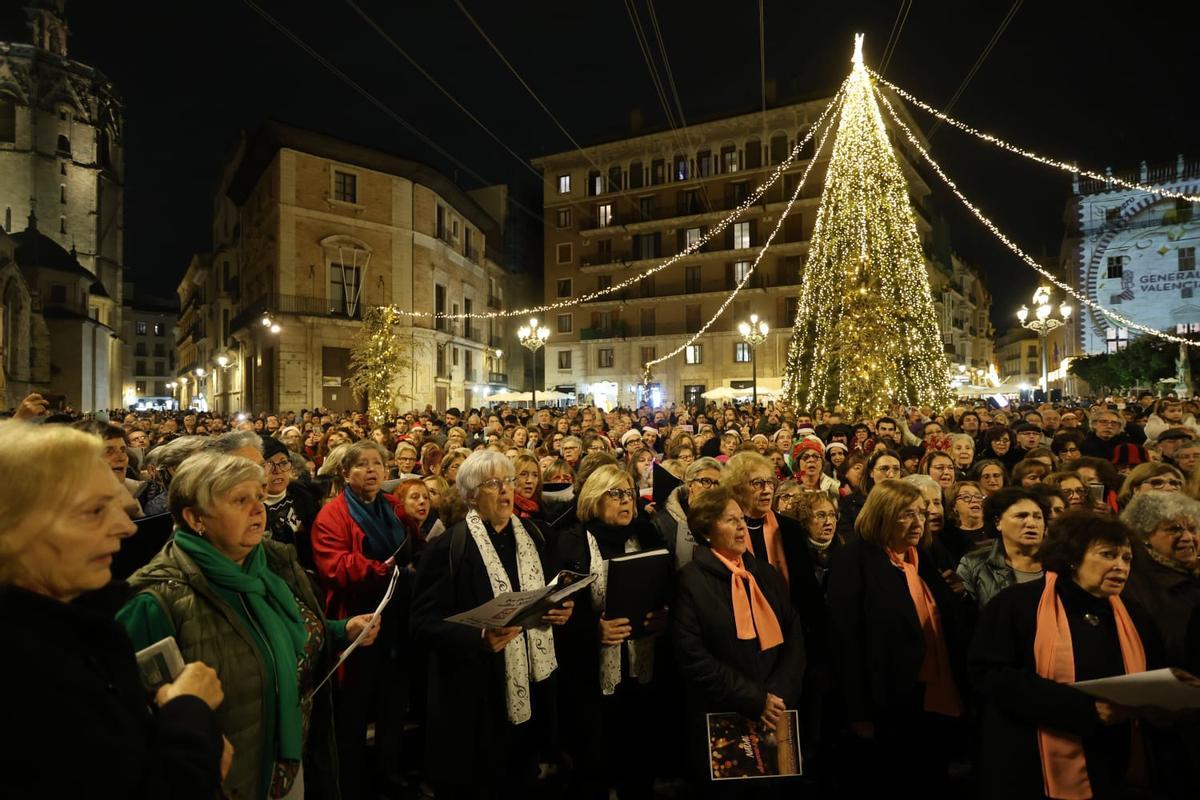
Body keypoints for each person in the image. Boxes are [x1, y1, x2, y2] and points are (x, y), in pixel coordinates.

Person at [119, 451, 379, 800]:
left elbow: (284, 634)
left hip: (288, 762)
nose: (258, 509)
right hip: (228, 783)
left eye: (259, 495)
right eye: (240, 500)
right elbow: (132, 726)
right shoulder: (156, 600)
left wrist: (340, 630)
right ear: (196, 517)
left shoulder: (269, 564)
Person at [0, 421, 228, 799]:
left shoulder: (83, 624)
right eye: (94, 511)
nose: (127, 527)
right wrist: (191, 715)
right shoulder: (21, 673)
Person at [969, 511, 1167, 800]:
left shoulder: (1135, 614)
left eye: (1126, 558)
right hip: (1032, 760)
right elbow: (990, 675)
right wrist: (1084, 709)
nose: (1120, 566)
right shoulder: (1017, 604)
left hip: (1112, 760)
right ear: (1072, 557)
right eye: (1108, 555)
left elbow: (1153, 673)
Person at [411, 451, 572, 799]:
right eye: (493, 484)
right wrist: (478, 637)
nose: (505, 490)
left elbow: (551, 592)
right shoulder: (448, 547)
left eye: (509, 481)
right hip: (475, 695)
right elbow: (422, 623)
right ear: (471, 495)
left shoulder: (538, 536)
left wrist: (561, 610)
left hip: (531, 684)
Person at [826, 479, 966, 793]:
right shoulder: (853, 559)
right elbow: (845, 639)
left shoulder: (924, 556)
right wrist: (858, 709)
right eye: (906, 514)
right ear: (883, 515)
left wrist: (959, 595)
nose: (918, 522)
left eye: (921, 513)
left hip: (933, 694)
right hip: (886, 698)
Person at [673, 485, 806, 797]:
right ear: (706, 531)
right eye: (730, 520)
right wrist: (754, 698)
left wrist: (778, 695)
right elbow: (693, 656)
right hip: (724, 714)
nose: (741, 526)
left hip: (776, 711)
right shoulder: (691, 581)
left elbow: (794, 635)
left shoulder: (764, 573)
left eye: (742, 519)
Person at [554, 464, 670, 800]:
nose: (626, 500)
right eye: (615, 493)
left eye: (629, 493)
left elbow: (667, 588)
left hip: (641, 668)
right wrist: (594, 629)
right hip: (590, 674)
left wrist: (665, 615)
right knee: (594, 762)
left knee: (638, 760)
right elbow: (558, 613)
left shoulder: (647, 535)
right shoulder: (571, 543)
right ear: (594, 499)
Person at [310, 440, 414, 800]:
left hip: (396, 617)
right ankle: (350, 783)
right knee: (354, 708)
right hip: (357, 618)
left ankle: (389, 772)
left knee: (392, 701)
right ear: (345, 472)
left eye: (377, 464)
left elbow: (410, 545)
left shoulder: (393, 506)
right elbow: (334, 566)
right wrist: (382, 569)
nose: (372, 471)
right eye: (362, 465)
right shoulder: (332, 515)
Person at [1120, 491, 1200, 668]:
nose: (1188, 537)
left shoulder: (1191, 575)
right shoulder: (1132, 583)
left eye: (1193, 529)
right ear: (1144, 535)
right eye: (1174, 529)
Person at [956, 487, 1047, 608]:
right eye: (1021, 516)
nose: (1031, 523)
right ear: (998, 522)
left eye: (1038, 517)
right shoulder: (973, 564)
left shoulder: (1060, 563)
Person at [652, 456, 723, 570]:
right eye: (706, 481)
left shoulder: (724, 518)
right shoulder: (663, 521)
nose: (712, 489)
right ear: (690, 484)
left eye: (717, 483)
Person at [261, 435, 319, 570]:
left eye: (283, 463)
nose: (278, 471)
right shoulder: (253, 508)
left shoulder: (303, 494)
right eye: (268, 464)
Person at [1116, 462, 1185, 508]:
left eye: (1174, 483)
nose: (1169, 488)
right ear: (1136, 490)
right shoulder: (1122, 524)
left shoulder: (1189, 520)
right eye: (1157, 483)